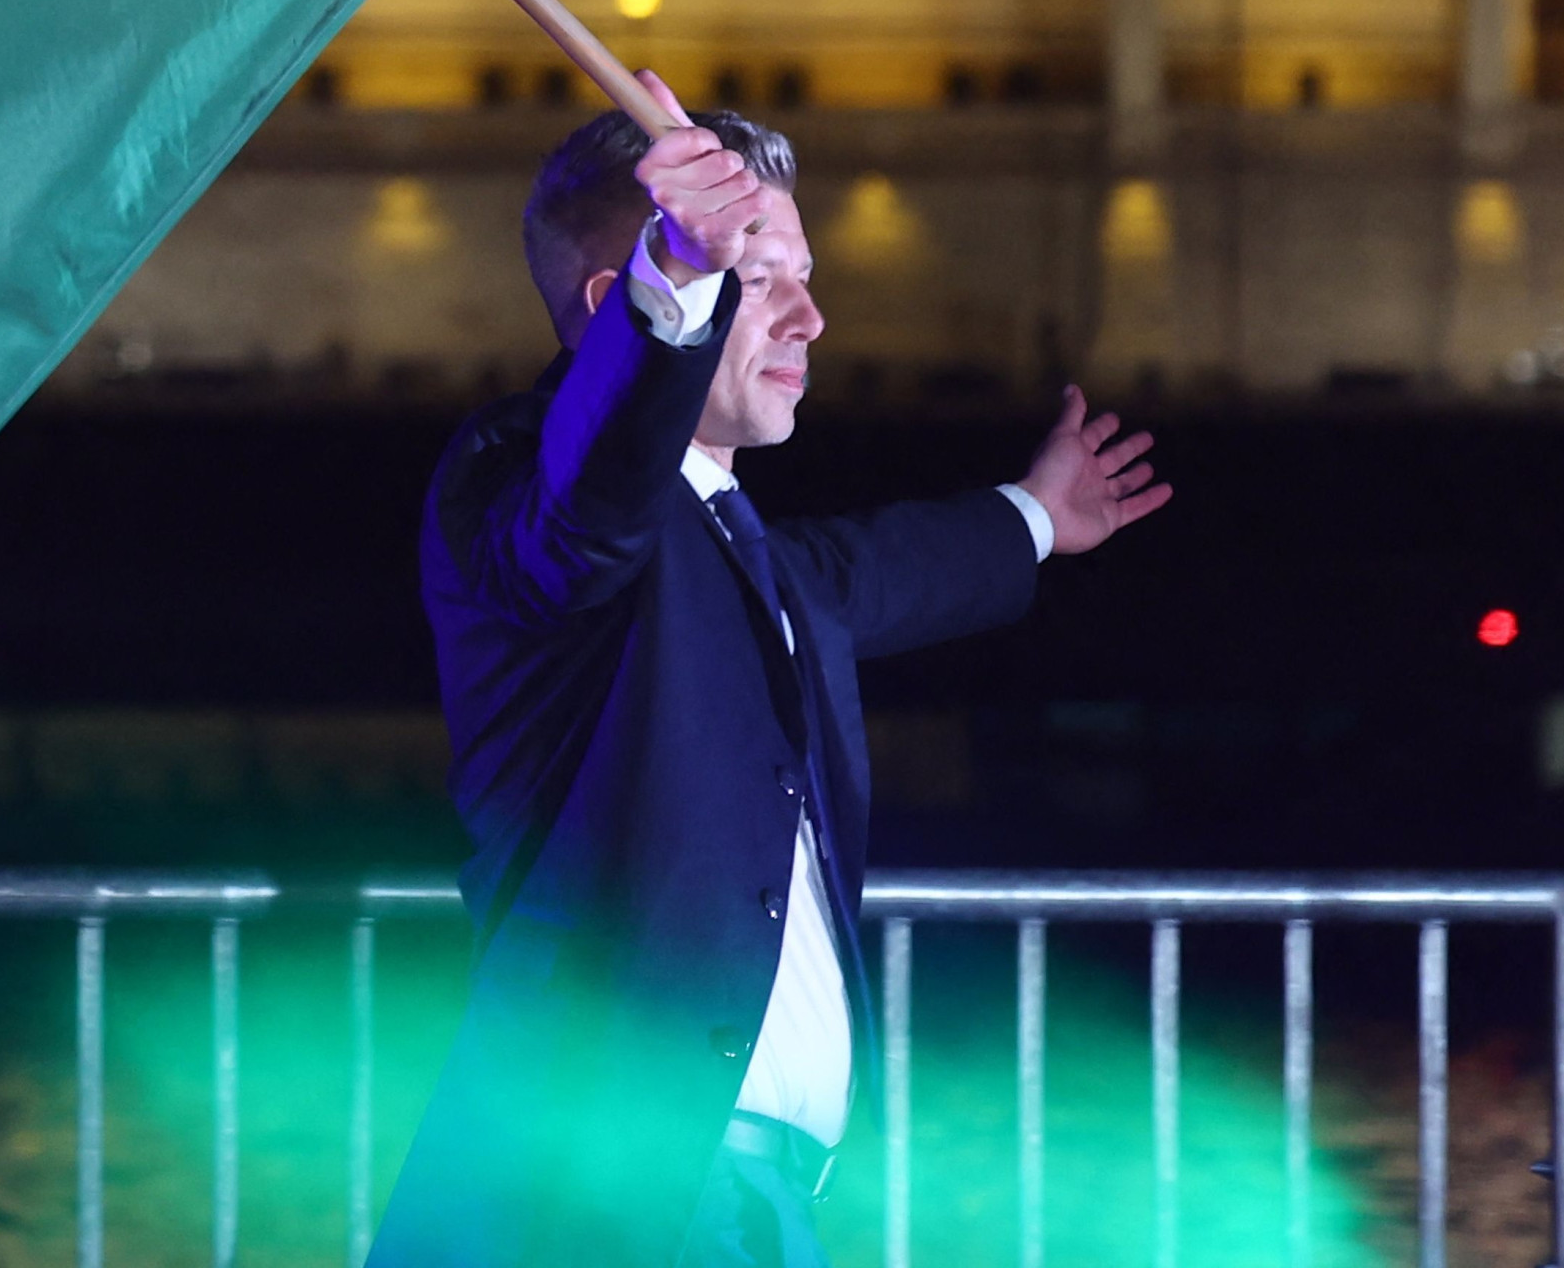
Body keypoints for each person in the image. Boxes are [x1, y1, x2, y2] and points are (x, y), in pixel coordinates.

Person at [365, 88, 1168, 1268]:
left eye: (803, 276)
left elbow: (864, 573)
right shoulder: (521, 486)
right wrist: (677, 283)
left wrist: (1034, 516)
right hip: (614, 1201)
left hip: (735, 1207)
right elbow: (588, 511)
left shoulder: (740, 555)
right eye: (764, 276)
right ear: (624, 303)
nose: (811, 317)